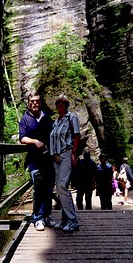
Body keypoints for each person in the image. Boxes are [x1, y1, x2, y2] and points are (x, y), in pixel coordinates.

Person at [19, 92, 55, 231]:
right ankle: (38, 218)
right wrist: (35, 141)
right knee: (39, 187)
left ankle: (46, 216)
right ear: (28, 103)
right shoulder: (25, 119)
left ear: (40, 102)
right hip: (34, 159)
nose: (35, 103)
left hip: (48, 159)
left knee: (49, 188)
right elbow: (22, 138)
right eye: (32, 101)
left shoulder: (46, 118)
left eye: (37, 101)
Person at [49, 94, 80, 232]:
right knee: (60, 188)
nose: (60, 105)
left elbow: (77, 135)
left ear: (66, 105)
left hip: (66, 154)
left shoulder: (71, 117)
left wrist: (74, 153)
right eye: (58, 103)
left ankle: (73, 221)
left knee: (62, 186)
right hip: (55, 157)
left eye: (63, 103)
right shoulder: (56, 121)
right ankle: (64, 220)